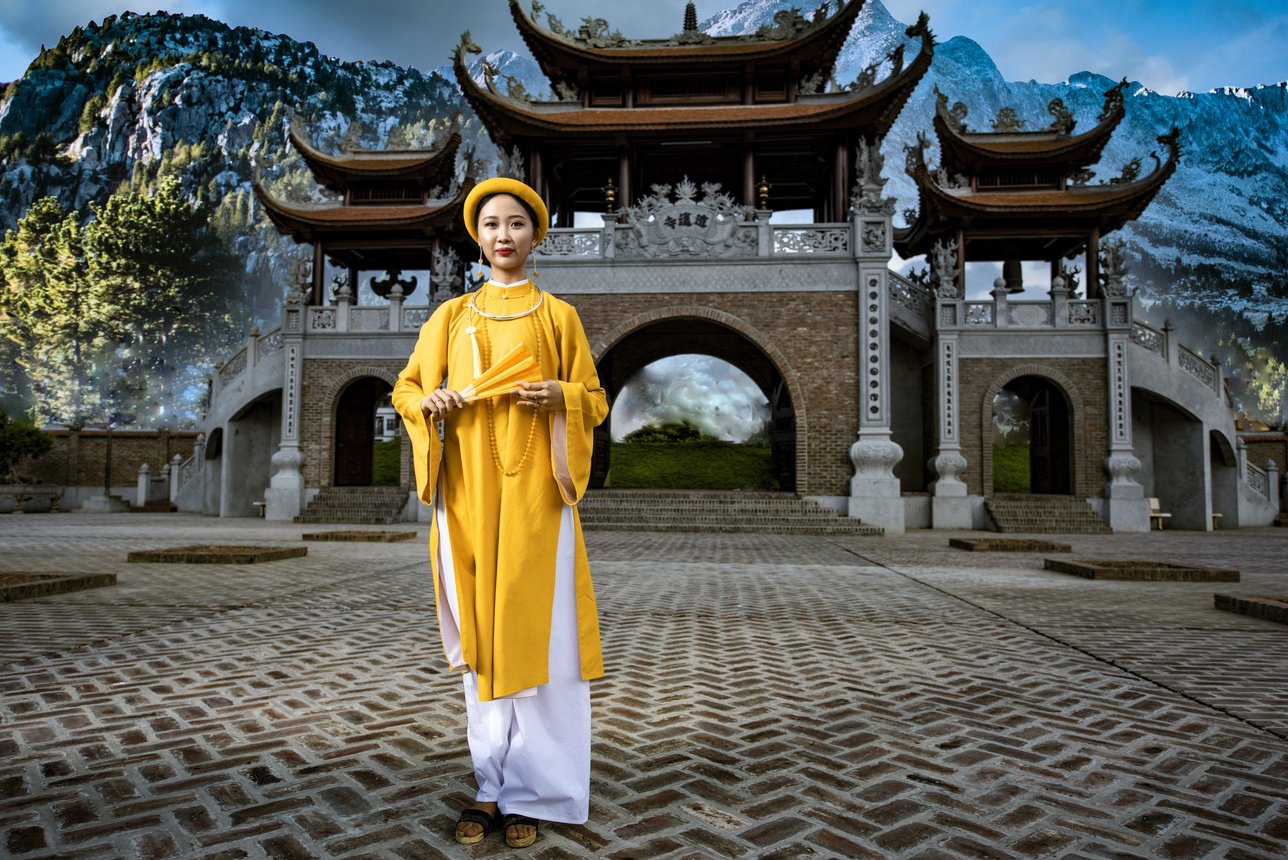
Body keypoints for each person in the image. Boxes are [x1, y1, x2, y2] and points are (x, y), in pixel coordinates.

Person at [391, 177, 608, 849]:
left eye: (516, 223)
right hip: (469, 496)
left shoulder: (558, 317)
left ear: (535, 234)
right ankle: (490, 783)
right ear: (476, 237)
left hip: (539, 497)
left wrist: (562, 397)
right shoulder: (451, 318)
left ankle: (538, 791)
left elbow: (595, 399)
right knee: (484, 644)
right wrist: (433, 405)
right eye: (491, 225)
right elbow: (408, 387)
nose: (504, 235)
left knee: (543, 641)